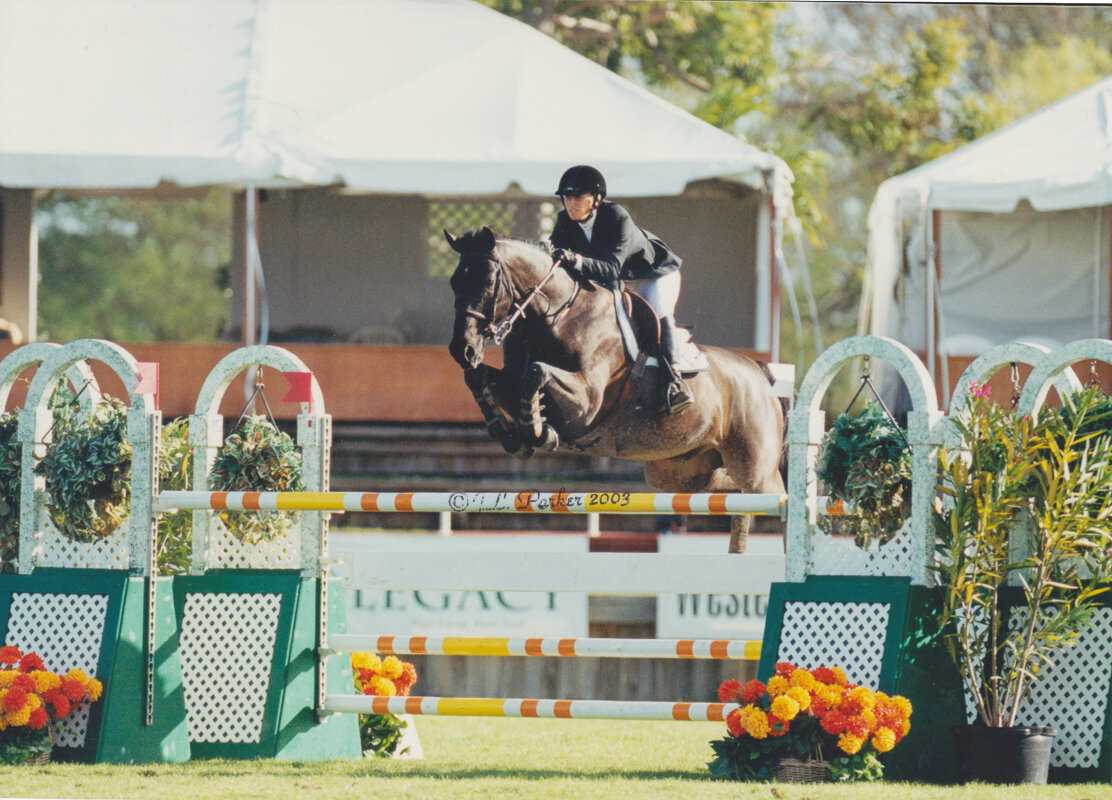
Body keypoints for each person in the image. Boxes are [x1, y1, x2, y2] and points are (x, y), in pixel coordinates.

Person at [548, 164, 694, 413]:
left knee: (657, 311)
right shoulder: (565, 221)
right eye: (567, 198)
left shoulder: (616, 216)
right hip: (617, 280)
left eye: (577, 198)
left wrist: (576, 260)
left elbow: (611, 269)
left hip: (654, 274)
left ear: (596, 199)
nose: (570, 204)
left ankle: (675, 382)